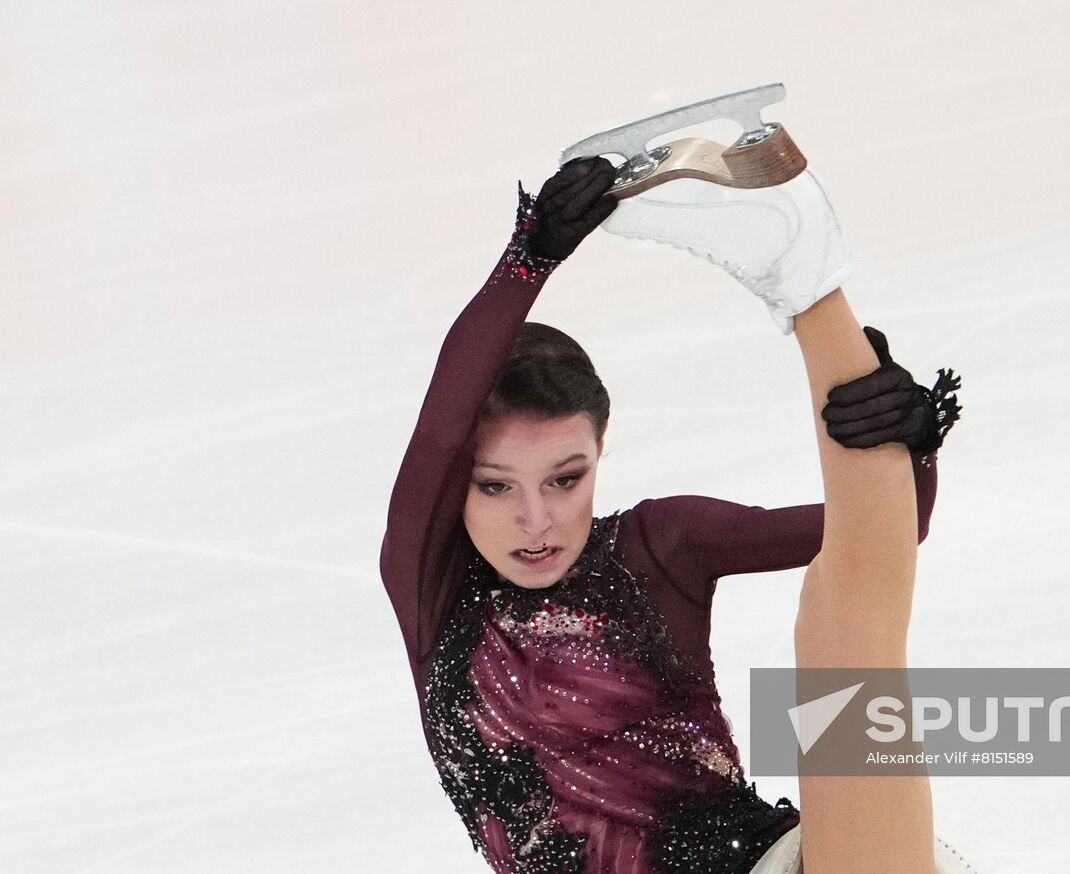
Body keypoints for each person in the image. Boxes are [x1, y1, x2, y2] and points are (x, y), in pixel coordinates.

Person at [379, 157, 964, 873]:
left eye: (565, 479)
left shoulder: (657, 546)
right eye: (496, 487)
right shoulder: (431, 597)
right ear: (453, 489)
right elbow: (441, 429)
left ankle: (809, 284)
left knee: (839, 607)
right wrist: (528, 258)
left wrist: (910, 442)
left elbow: (888, 539)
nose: (536, 520)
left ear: (600, 450)